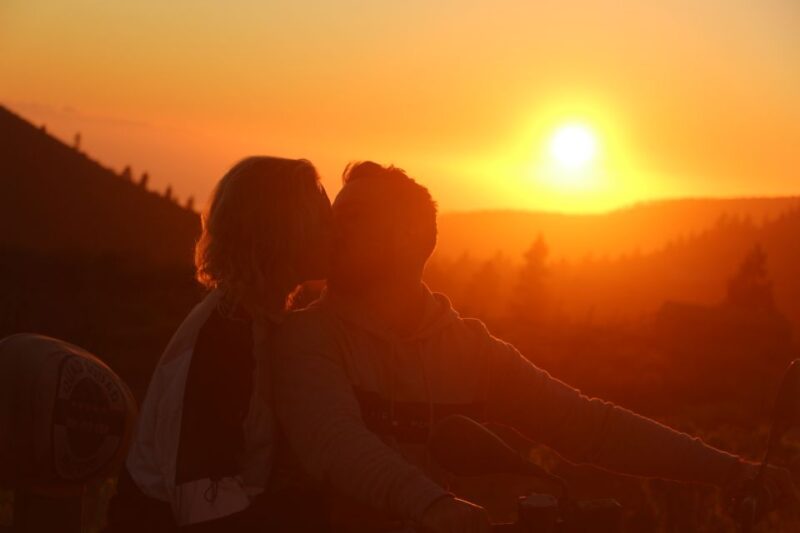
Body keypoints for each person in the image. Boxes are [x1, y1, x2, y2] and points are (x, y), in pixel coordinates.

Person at [268, 161, 798, 533]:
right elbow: (334, 443)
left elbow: (589, 426)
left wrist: (733, 472)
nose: (333, 232)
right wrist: (432, 505)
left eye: (354, 218)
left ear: (410, 237)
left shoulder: (466, 348)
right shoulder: (306, 334)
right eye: (334, 218)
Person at [107, 156, 332, 531]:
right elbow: (204, 506)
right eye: (322, 222)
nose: (334, 232)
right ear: (283, 230)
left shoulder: (259, 323)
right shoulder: (223, 338)